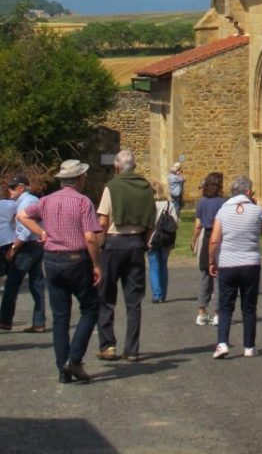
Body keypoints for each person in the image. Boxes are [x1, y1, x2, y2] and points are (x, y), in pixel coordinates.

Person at [18, 158, 103, 383]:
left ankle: (62, 369)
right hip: (76, 259)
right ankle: (74, 359)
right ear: (79, 179)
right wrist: (96, 264)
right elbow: (90, 237)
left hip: (52, 260)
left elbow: (22, 215)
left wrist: (41, 233)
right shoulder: (83, 202)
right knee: (90, 308)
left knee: (60, 317)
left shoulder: (46, 201)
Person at [96, 149, 155, 362]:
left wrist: (101, 245)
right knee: (133, 300)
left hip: (113, 242)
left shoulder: (111, 187)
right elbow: (151, 221)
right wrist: (144, 242)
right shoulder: (146, 187)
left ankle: (108, 345)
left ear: (117, 167)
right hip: (136, 243)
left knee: (106, 297)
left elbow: (102, 221)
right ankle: (132, 349)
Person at [209, 174, 262, 358]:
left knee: (226, 305)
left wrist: (212, 260)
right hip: (250, 262)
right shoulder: (257, 210)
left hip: (228, 262)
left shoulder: (223, 211)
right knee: (249, 306)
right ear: (249, 192)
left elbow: (214, 240)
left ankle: (222, 343)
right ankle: (249, 346)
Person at [0, 174, 46, 333]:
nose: (10, 191)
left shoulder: (25, 203)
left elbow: (25, 230)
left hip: (27, 245)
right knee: (36, 282)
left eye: (12, 188)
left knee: (13, 281)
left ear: (21, 187)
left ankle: (5, 320)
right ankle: (39, 322)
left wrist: (13, 248)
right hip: (37, 244)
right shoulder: (31, 200)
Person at [192, 171, 225, 325]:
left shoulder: (202, 202)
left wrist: (194, 240)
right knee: (218, 277)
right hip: (219, 238)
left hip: (206, 238)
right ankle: (217, 313)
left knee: (205, 276)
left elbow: (198, 225)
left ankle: (201, 312)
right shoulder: (222, 202)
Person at [147, 181, 174, 303]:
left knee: (154, 266)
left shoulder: (148, 205)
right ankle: (163, 294)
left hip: (151, 238)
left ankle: (157, 295)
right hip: (165, 238)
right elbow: (174, 222)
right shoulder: (169, 204)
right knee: (163, 265)